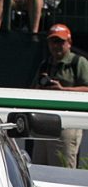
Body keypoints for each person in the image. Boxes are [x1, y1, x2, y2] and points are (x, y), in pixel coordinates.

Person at [32, 24, 88, 168]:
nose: (56, 46)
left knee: (63, 171)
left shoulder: (78, 62)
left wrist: (63, 90)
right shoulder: (45, 65)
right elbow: (32, 90)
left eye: (60, 42)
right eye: (53, 41)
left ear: (69, 43)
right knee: (38, 170)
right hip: (43, 124)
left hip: (67, 125)